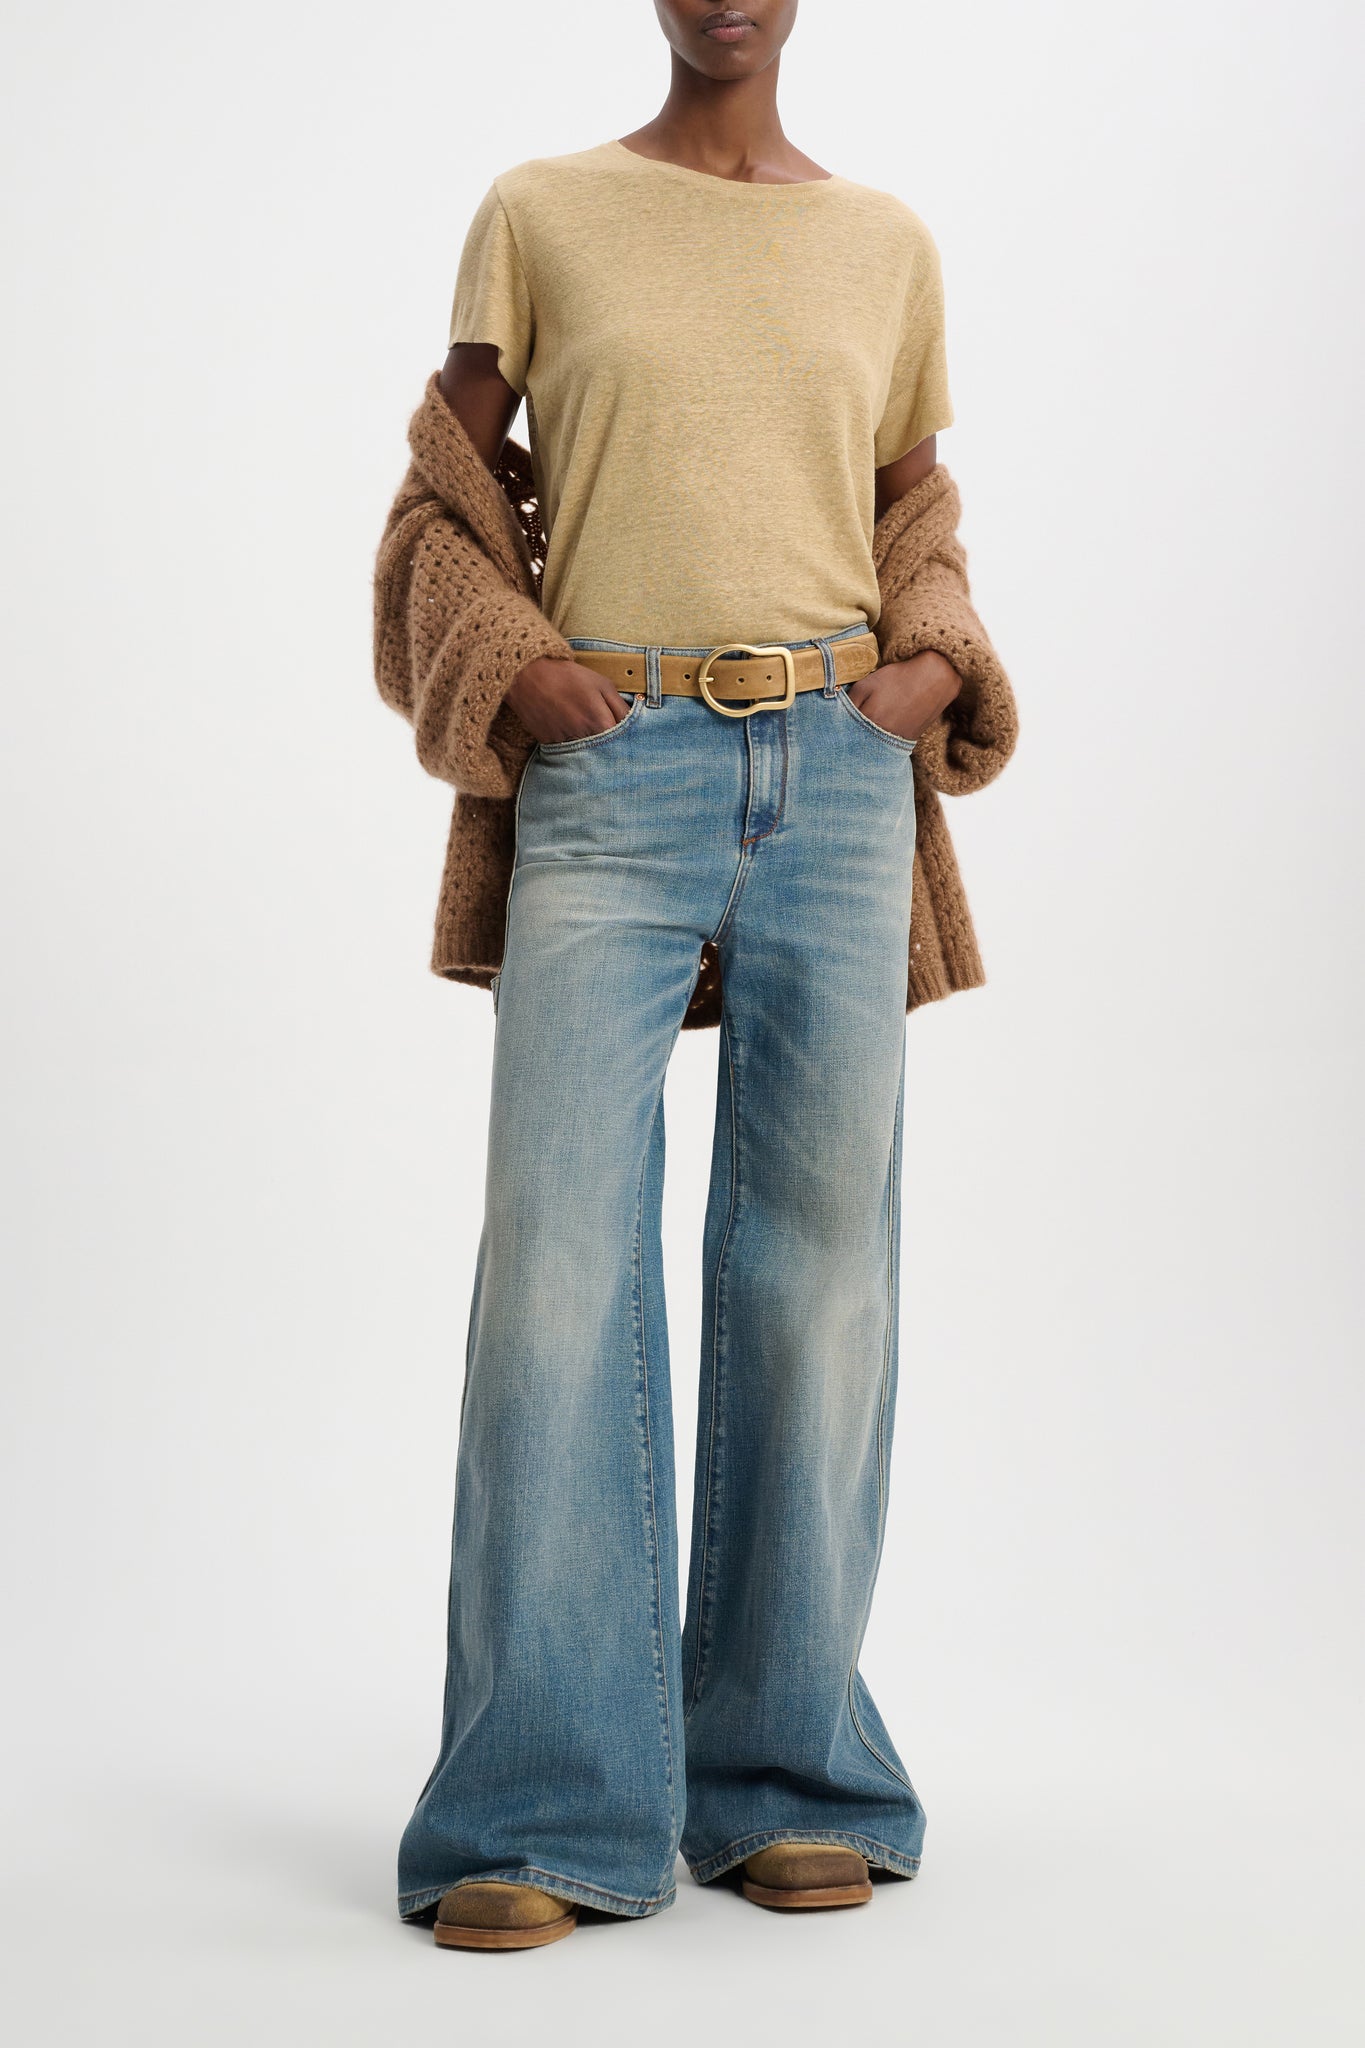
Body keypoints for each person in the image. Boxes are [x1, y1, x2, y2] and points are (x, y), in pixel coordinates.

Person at [382, 0, 1012, 1951]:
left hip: (839, 765)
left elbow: (911, 503)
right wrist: (518, 669)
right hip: (611, 759)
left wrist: (926, 659)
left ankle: (784, 1777)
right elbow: (441, 493)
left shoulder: (882, 242)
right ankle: (539, 1798)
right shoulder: (541, 212)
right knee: (557, 1264)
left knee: (819, 1277)